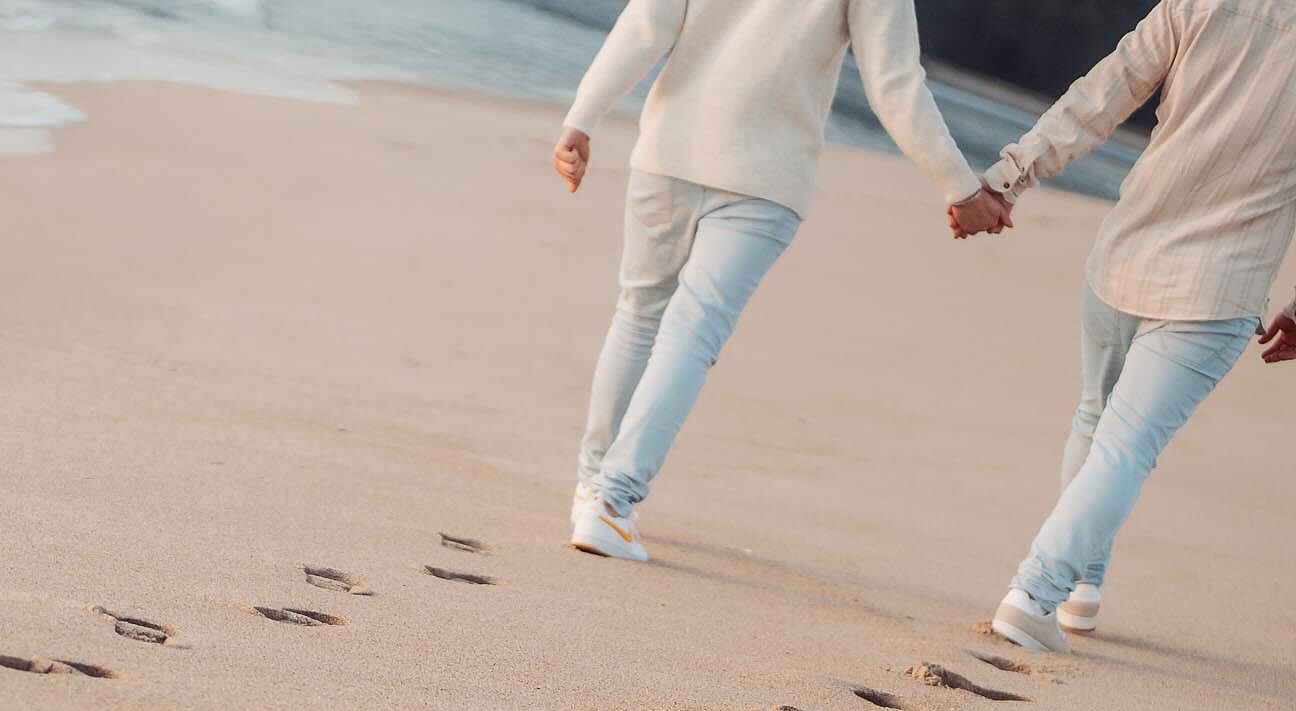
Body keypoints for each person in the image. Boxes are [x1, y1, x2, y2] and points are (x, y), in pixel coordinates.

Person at [555, 0, 1008, 561]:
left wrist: (582, 118)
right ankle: (612, 501)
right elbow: (894, 84)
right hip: (766, 176)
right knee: (691, 333)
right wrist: (960, 187)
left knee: (639, 314)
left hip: (669, 149)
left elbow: (648, 22)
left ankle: (591, 488)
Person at [977, 0, 1296, 653]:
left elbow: (1098, 98)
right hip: (1216, 288)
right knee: (1125, 446)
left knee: (1096, 421)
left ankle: (1080, 590)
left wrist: (1011, 176)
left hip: (1125, 255)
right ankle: (1036, 592)